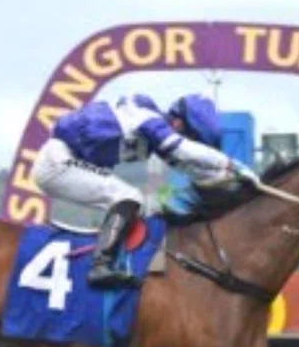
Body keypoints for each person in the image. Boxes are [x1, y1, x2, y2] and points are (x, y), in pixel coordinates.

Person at [30, 92, 254, 287]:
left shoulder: (157, 136)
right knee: (128, 196)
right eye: (191, 137)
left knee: (146, 208)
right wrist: (232, 164)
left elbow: (193, 170)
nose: (188, 141)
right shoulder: (148, 118)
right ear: (177, 124)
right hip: (57, 162)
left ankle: (131, 266)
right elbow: (184, 150)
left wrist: (236, 179)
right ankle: (100, 266)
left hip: (65, 161)